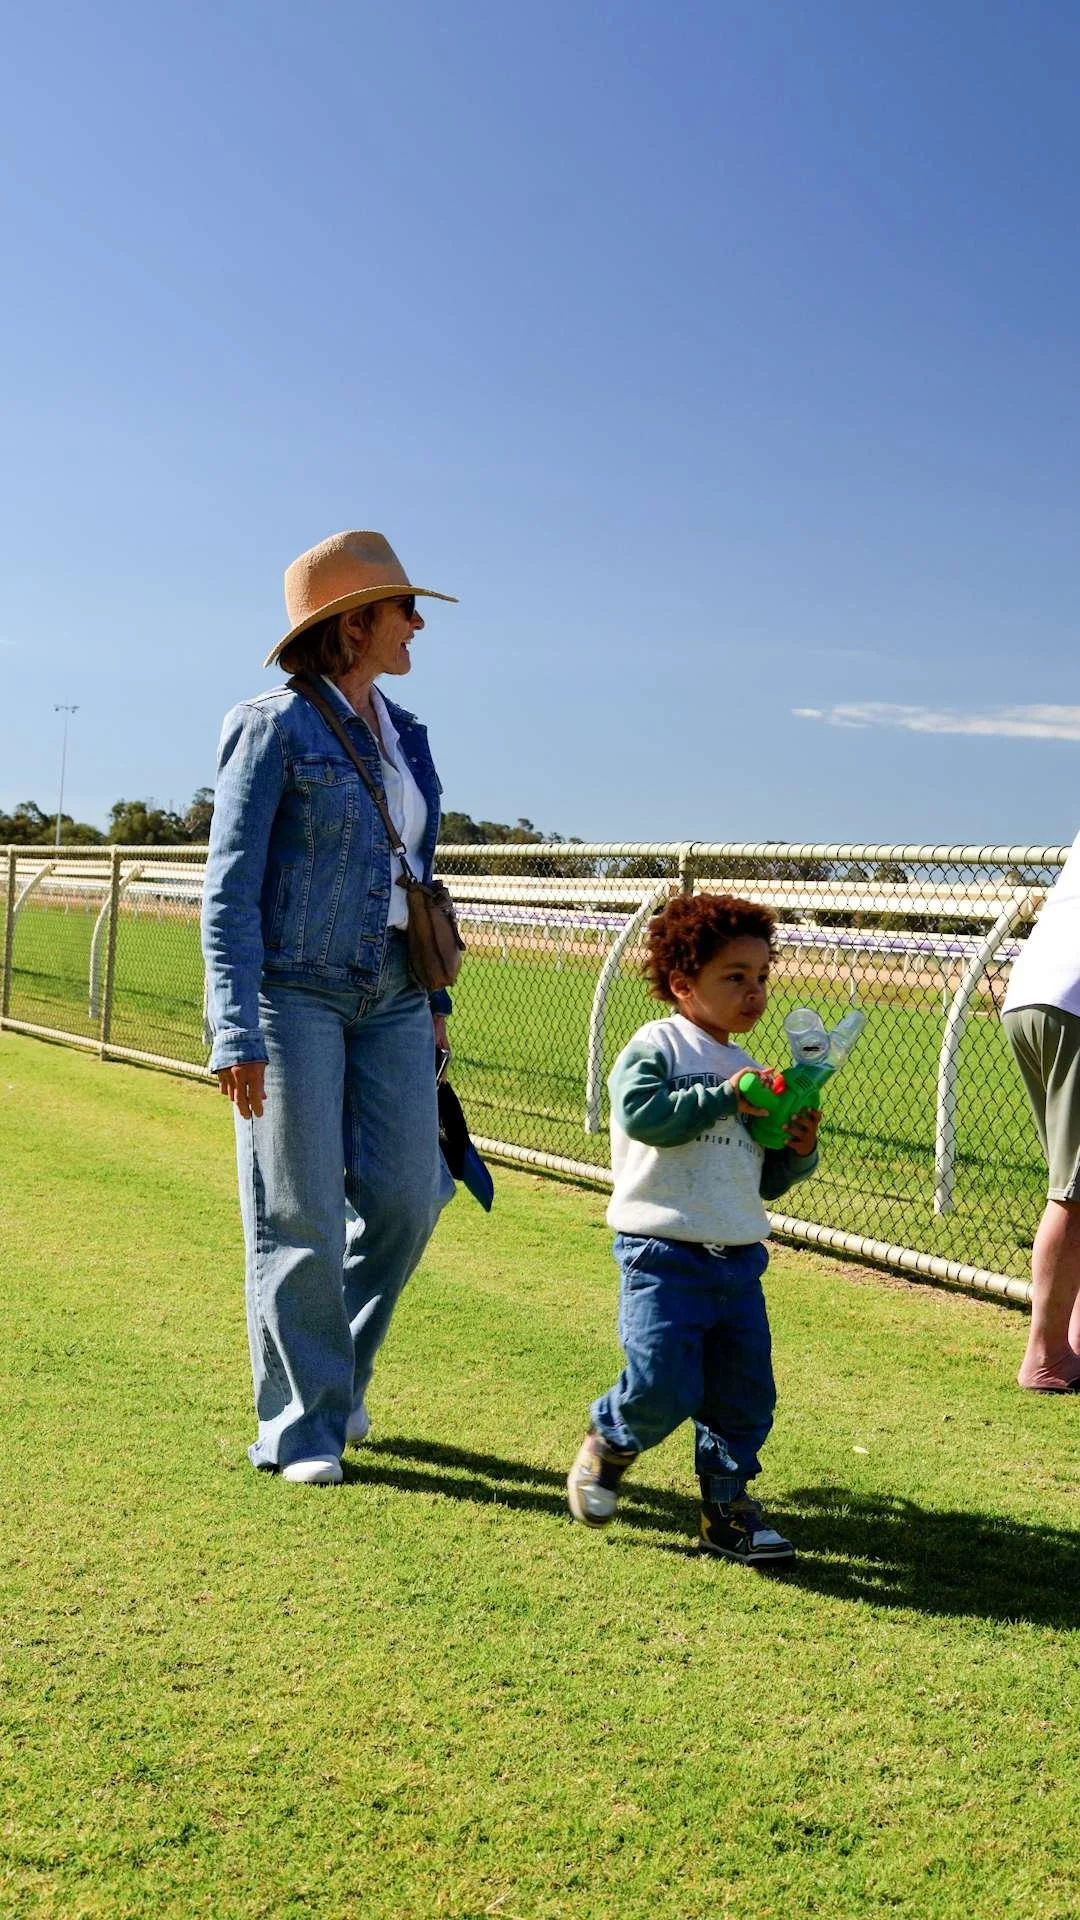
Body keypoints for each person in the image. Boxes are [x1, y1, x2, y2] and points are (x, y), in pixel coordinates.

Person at [201, 530, 458, 1483]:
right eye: (402, 608)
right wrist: (235, 1026)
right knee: (298, 1213)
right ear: (355, 626)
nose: (417, 622)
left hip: (395, 992)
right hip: (292, 996)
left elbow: (415, 874)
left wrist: (432, 1001)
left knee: (405, 1199)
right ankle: (302, 1425)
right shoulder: (271, 727)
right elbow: (229, 892)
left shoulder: (412, 737)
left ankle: (334, 1372)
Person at [566, 894, 822, 1563]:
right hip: (663, 1253)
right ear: (684, 984)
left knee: (744, 1397)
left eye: (763, 976)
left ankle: (726, 1511)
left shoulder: (750, 1069)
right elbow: (644, 1115)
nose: (755, 991)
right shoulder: (659, 1045)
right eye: (735, 976)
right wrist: (724, 1096)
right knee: (663, 1384)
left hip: (738, 1259)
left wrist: (796, 1148)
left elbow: (760, 1178)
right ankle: (612, 1438)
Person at [1001, 829, 1080, 1392]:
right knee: (1075, 1192)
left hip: (1032, 994)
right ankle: (1048, 1358)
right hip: (1075, 1003)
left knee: (1074, 1185)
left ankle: (1070, 1348)